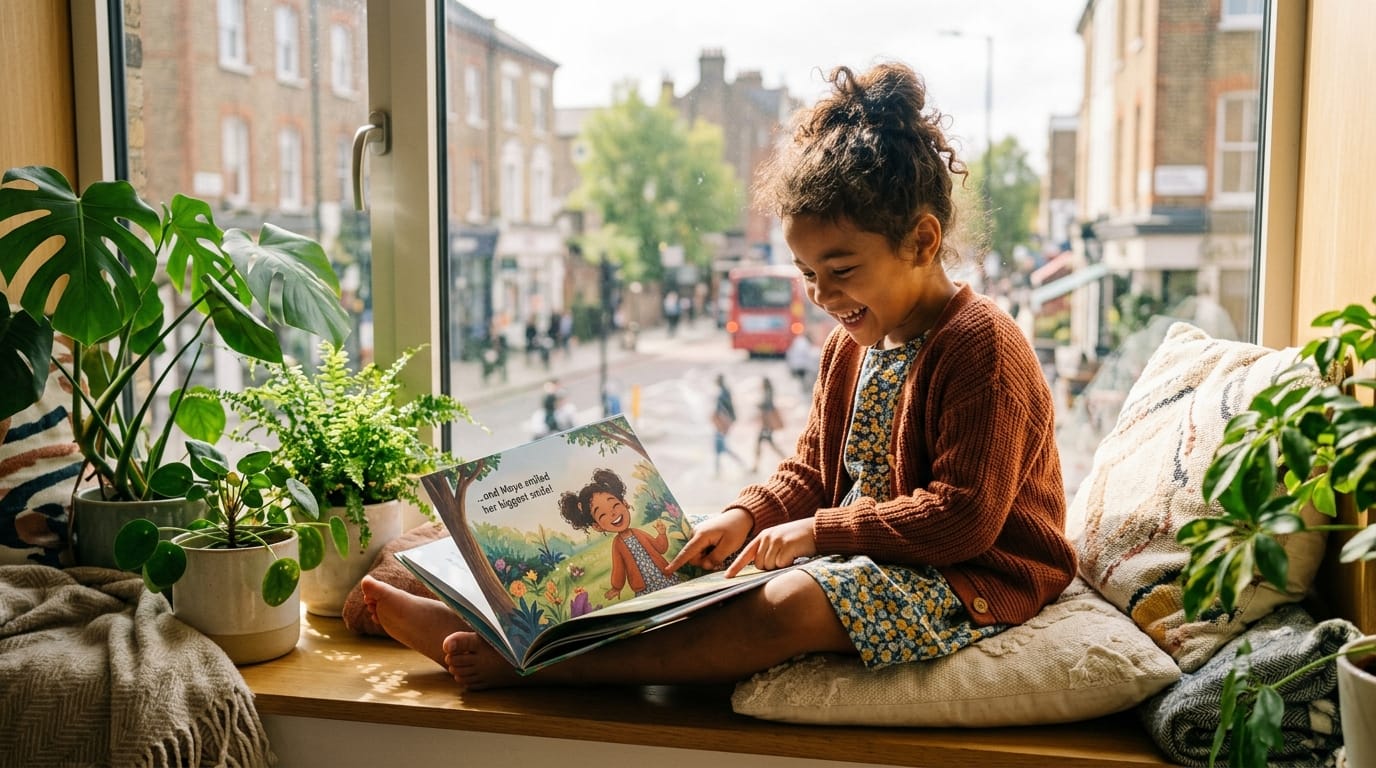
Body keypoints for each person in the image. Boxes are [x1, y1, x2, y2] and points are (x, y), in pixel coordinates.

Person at [360, 61, 1075, 691]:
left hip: (976, 580)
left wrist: (814, 535)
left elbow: (963, 518)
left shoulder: (982, 346)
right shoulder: (850, 345)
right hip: (871, 554)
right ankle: (489, 613)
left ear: (922, 241)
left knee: (785, 606)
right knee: (696, 562)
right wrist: (746, 517)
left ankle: (547, 668)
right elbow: (810, 472)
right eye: (806, 274)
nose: (822, 296)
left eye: (842, 270)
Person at [558, 468, 683, 600]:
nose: (612, 513)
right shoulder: (617, 545)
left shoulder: (639, 533)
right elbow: (619, 569)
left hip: (665, 577)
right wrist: (616, 588)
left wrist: (662, 534)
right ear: (597, 526)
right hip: (644, 588)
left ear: (624, 503)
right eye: (602, 514)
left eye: (615, 505)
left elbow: (660, 548)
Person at [711, 372, 746, 476]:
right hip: (723, 422)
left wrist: (721, 420)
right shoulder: (724, 392)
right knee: (720, 447)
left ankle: (719, 471)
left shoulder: (723, 393)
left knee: (720, 447)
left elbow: (725, 408)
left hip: (723, 422)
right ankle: (719, 471)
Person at [752, 376, 786, 473]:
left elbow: (767, 407)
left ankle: (756, 466)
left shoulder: (768, 394)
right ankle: (756, 466)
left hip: (766, 425)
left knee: (765, 444)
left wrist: (758, 405)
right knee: (768, 444)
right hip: (767, 425)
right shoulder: (769, 393)